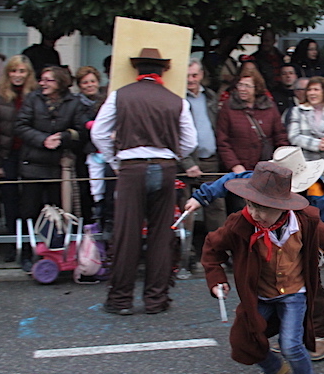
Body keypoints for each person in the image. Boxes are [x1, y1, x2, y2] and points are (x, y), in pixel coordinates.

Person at [186, 146, 324, 360]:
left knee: (307, 286)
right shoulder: (264, 180)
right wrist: (201, 197)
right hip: (265, 241)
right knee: (267, 285)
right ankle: (284, 333)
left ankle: (321, 332)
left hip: (299, 241)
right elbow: (234, 178)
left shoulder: (315, 187)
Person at [201, 161, 324, 374]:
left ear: (282, 207)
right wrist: (216, 279)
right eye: (250, 204)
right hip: (260, 295)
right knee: (242, 339)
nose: (253, 212)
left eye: (262, 208)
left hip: (294, 294)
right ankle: (273, 368)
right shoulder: (239, 223)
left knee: (291, 345)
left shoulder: (305, 222)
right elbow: (212, 248)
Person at [90, 48, 197, 314]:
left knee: (127, 234)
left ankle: (121, 300)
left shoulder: (119, 95)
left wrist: (117, 161)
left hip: (131, 168)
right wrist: (171, 157)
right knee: (162, 234)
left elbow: (100, 133)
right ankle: (156, 300)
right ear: (162, 71)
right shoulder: (177, 100)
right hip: (165, 167)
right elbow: (190, 142)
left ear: (137, 71)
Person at [14, 65, 89, 272]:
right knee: (30, 210)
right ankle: (29, 254)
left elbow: (81, 131)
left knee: (60, 213)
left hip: (60, 166)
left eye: (49, 80)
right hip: (33, 164)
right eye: (42, 79)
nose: (42, 83)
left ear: (61, 83)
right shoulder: (33, 99)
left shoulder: (74, 102)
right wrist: (42, 140)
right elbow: (20, 126)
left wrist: (63, 137)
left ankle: (58, 254)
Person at [0, 55, 37, 262]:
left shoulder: (36, 94)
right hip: (7, 155)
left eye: (22, 71)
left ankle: (31, 246)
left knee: (30, 201)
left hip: (32, 155)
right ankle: (14, 244)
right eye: (14, 71)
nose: (17, 75)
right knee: (10, 200)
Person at [215, 73, 289, 211]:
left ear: (257, 88)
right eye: (240, 85)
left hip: (265, 171)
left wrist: (280, 161)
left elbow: (280, 136)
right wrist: (234, 165)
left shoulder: (269, 107)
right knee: (239, 211)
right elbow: (222, 140)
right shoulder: (228, 108)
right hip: (238, 172)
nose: (243, 89)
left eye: (247, 86)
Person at [180, 59, 225, 261]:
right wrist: (188, 163)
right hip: (186, 162)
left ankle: (219, 252)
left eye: (194, 75)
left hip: (211, 159)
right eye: (187, 75)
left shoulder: (210, 96)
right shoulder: (178, 98)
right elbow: (174, 134)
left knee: (216, 208)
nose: (191, 79)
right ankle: (185, 255)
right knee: (186, 209)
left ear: (201, 75)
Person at [74, 65, 108, 222]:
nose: (89, 85)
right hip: (85, 151)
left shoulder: (107, 99)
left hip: (107, 151)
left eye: (92, 81)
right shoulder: (76, 103)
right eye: (85, 82)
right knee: (87, 190)